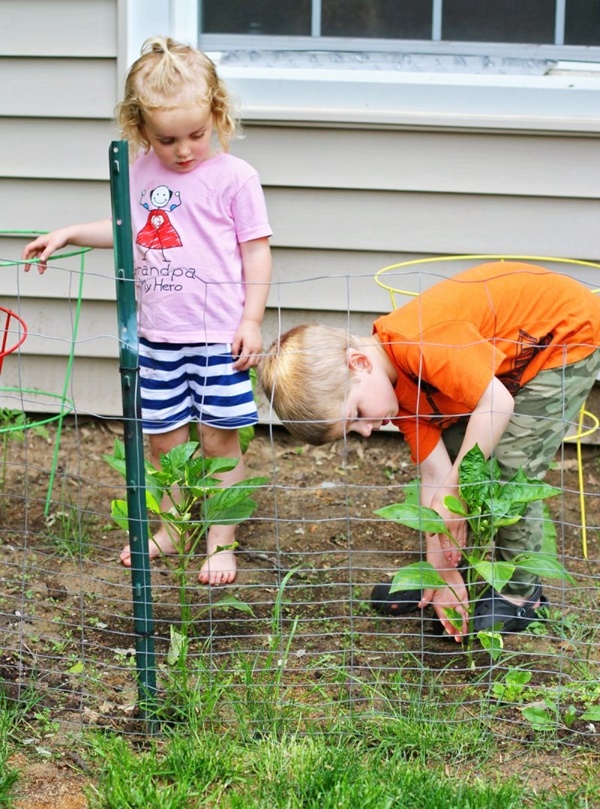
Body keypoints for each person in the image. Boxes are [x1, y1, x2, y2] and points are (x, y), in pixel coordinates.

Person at [22, 37, 272, 586]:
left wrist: (251, 319)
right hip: (158, 337)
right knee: (163, 442)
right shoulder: (139, 172)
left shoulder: (235, 178)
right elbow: (126, 232)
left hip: (217, 338)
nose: (183, 150)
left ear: (217, 115)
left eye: (196, 135)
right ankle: (172, 528)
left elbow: (257, 250)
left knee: (218, 441)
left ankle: (221, 543)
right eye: (167, 140)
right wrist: (68, 234)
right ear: (140, 129)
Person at [259, 262, 600, 641]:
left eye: (356, 415)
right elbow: (436, 477)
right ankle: (467, 577)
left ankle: (520, 595)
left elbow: (496, 403)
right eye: (353, 430)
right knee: (460, 453)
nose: (368, 431)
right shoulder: (399, 396)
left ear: (359, 363)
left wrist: (454, 486)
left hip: (563, 335)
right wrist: (442, 576)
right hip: (511, 356)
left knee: (510, 469)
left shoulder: (422, 344)